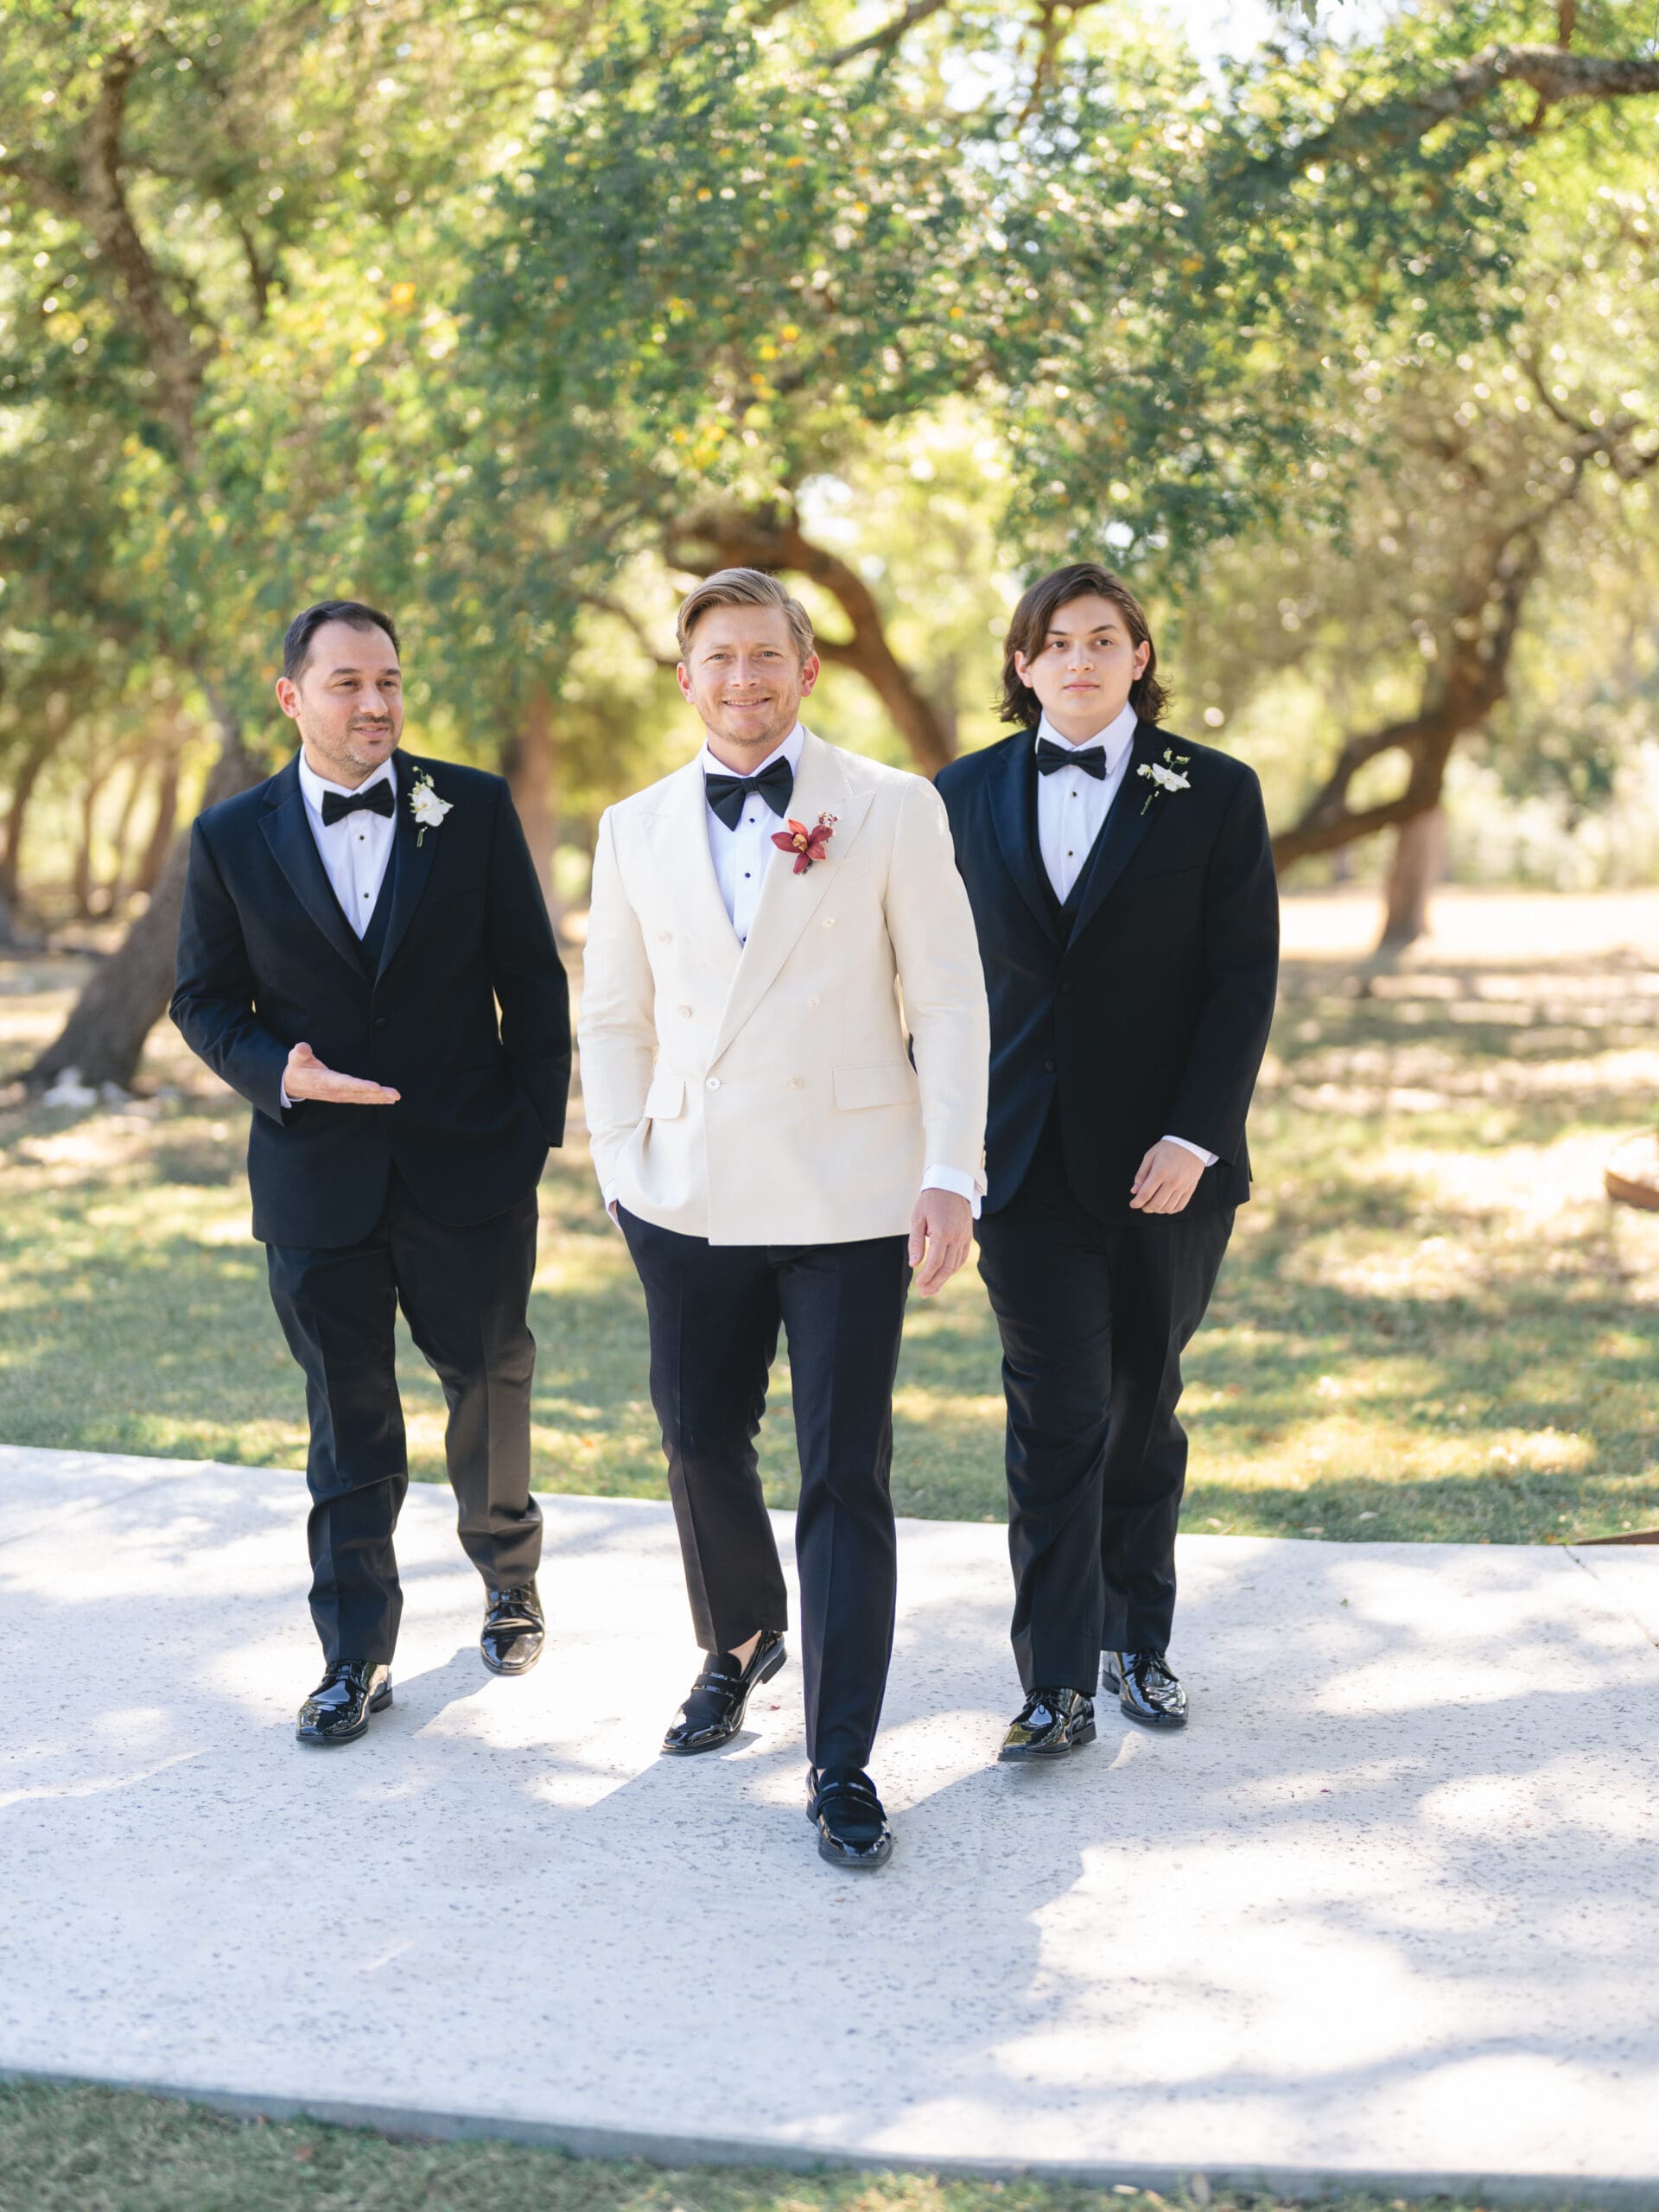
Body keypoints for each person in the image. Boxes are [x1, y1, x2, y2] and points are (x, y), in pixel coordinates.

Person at [578, 568, 988, 1870]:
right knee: (700, 1442)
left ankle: (843, 1760)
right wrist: (619, 1159)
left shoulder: (888, 807)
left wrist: (953, 1172)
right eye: (719, 659)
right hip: (687, 1191)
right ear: (685, 676)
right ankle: (745, 1637)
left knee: (843, 1475)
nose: (743, 681)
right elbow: (613, 1013)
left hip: (854, 1192)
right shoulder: (631, 826)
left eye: (768, 657)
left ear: (808, 672)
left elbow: (953, 1004)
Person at [171, 600, 570, 1747]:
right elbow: (202, 1001)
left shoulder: (474, 809)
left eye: (389, 680)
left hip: (469, 1171)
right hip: (314, 1177)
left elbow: (532, 988)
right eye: (346, 683)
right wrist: (276, 1069)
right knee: (346, 1422)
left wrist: (525, 1140)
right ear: (291, 697)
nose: (376, 703)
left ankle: (509, 1577)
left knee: (489, 1385)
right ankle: (355, 1653)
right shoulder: (229, 837)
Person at [937, 563, 1277, 1759]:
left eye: (1103, 638)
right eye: (1054, 641)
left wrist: (1196, 1134)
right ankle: (1054, 1683)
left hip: (1167, 1169)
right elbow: (933, 987)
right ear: (1022, 666)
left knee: (1143, 1406)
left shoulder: (1215, 792)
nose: (1078, 658)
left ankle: (1142, 1640)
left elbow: (1243, 983)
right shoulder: (957, 794)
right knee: (1054, 1416)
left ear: (1140, 656)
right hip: (1017, 1166)